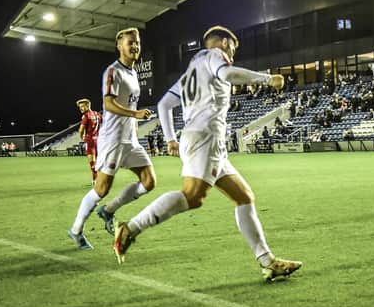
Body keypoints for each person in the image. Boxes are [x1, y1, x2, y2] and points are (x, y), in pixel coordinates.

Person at [113, 25, 302, 281]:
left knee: (244, 197)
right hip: (206, 137)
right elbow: (227, 74)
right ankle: (130, 228)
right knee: (193, 196)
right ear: (224, 42)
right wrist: (268, 79)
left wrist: (171, 139)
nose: (233, 52)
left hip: (203, 139)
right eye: (233, 46)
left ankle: (268, 261)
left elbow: (164, 104)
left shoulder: (193, 69)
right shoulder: (214, 55)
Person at [67, 27, 156, 250]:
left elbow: (130, 103)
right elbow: (107, 103)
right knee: (101, 189)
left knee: (149, 182)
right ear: (119, 46)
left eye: (137, 42)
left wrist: (134, 123)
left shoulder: (134, 73)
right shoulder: (113, 71)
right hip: (113, 140)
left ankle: (107, 211)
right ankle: (76, 230)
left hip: (129, 140)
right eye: (130, 42)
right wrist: (135, 114)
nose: (135, 46)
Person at [76, 98, 102, 183]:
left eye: (82, 106)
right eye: (80, 107)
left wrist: (82, 137)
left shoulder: (86, 116)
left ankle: (95, 180)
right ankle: (100, 178)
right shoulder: (97, 114)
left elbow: (81, 130)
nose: (81, 109)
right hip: (98, 140)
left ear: (88, 106)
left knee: (92, 163)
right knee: (98, 161)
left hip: (90, 140)